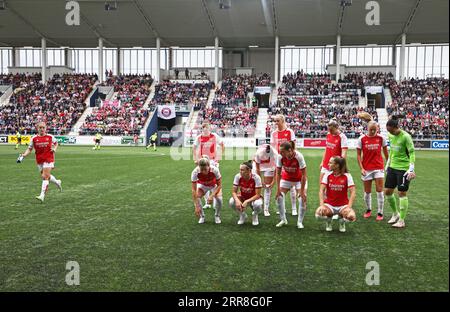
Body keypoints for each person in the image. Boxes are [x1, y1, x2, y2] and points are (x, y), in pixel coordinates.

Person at [16, 122, 62, 202]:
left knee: (45, 177)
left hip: (49, 158)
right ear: (37, 128)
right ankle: (57, 182)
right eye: (40, 127)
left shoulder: (50, 137)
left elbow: (56, 143)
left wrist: (54, 149)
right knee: (46, 176)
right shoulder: (34, 138)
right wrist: (23, 155)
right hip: (39, 159)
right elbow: (29, 149)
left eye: (43, 127)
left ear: (46, 128)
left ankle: (42, 195)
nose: (42, 129)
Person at [384, 115, 416, 228]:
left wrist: (411, 169)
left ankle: (402, 220)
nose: (390, 133)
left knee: (402, 193)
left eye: (391, 130)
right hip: (392, 167)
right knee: (388, 191)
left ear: (396, 127)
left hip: (403, 169)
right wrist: (388, 164)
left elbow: (412, 153)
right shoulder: (390, 136)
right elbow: (392, 150)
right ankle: (395, 214)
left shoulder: (406, 137)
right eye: (388, 131)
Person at [356, 121, 389, 221]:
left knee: (379, 190)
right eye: (371, 129)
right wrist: (361, 168)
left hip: (378, 167)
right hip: (366, 168)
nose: (373, 131)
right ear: (367, 128)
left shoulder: (381, 138)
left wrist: (388, 165)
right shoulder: (361, 139)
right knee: (367, 192)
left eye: (375, 129)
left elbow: (386, 153)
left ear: (378, 129)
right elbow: (358, 155)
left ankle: (380, 212)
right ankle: (368, 209)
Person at [315, 156, 356, 233]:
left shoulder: (347, 176)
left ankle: (342, 222)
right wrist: (322, 205)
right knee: (318, 214)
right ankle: (329, 222)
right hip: (329, 205)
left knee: (351, 217)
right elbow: (321, 190)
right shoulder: (327, 175)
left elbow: (353, 192)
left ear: (337, 165)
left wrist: (349, 207)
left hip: (343, 205)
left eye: (330, 163)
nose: (328, 164)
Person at [275, 141, 307, 229]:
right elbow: (278, 173)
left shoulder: (298, 156)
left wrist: (302, 190)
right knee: (279, 197)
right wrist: (278, 189)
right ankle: (283, 220)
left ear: (289, 150)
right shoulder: (280, 157)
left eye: (282, 151)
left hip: (299, 180)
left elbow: (304, 175)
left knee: (302, 199)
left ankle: (299, 222)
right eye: (280, 151)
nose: (280, 153)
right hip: (286, 178)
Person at [270, 114, 298, 216]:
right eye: (275, 121)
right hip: (279, 161)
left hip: (290, 161)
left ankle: (294, 208)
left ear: (283, 121)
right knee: (282, 184)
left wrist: (292, 158)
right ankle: (282, 208)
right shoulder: (273, 133)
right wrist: (275, 158)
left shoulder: (289, 132)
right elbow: (273, 148)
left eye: (278, 121)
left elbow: (294, 146)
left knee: (292, 186)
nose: (276, 123)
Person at [192, 122, 225, 210]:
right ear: (202, 129)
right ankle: (207, 202)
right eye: (203, 128)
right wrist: (195, 159)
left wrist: (219, 157)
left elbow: (222, 144)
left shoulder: (214, 136)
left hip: (213, 161)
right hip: (203, 161)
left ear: (210, 128)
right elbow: (194, 148)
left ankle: (214, 199)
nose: (205, 129)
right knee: (203, 180)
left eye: (207, 127)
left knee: (214, 180)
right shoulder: (199, 137)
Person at [230, 161, 263, 226]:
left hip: (253, 198)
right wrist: (237, 201)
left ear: (249, 171)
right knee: (231, 202)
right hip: (243, 196)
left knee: (258, 204)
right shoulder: (238, 176)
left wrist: (246, 201)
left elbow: (258, 195)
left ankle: (255, 215)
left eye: (242, 170)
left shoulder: (256, 177)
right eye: (240, 170)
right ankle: (242, 215)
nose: (240, 172)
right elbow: (234, 192)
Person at [191, 157, 223, 224]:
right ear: (198, 167)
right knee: (198, 197)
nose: (203, 172)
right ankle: (202, 216)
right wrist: (196, 206)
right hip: (203, 185)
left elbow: (219, 185)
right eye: (201, 169)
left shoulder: (215, 170)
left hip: (214, 185)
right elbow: (193, 190)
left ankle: (217, 216)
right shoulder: (195, 172)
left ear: (209, 166)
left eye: (205, 169)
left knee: (219, 199)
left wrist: (211, 196)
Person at [319, 119, 349, 186]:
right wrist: (322, 162)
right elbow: (326, 149)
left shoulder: (342, 137)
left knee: (332, 188)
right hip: (325, 164)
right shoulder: (328, 134)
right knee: (321, 186)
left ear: (336, 128)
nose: (330, 131)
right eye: (329, 130)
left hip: (335, 166)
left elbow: (344, 154)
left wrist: (341, 166)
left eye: (332, 130)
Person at [253, 143, 278, 217]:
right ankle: (255, 205)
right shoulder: (258, 153)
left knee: (268, 187)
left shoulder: (275, 154)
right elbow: (257, 168)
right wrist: (260, 181)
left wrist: (274, 181)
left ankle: (266, 209)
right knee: (256, 186)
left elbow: (277, 168)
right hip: (258, 166)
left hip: (270, 167)